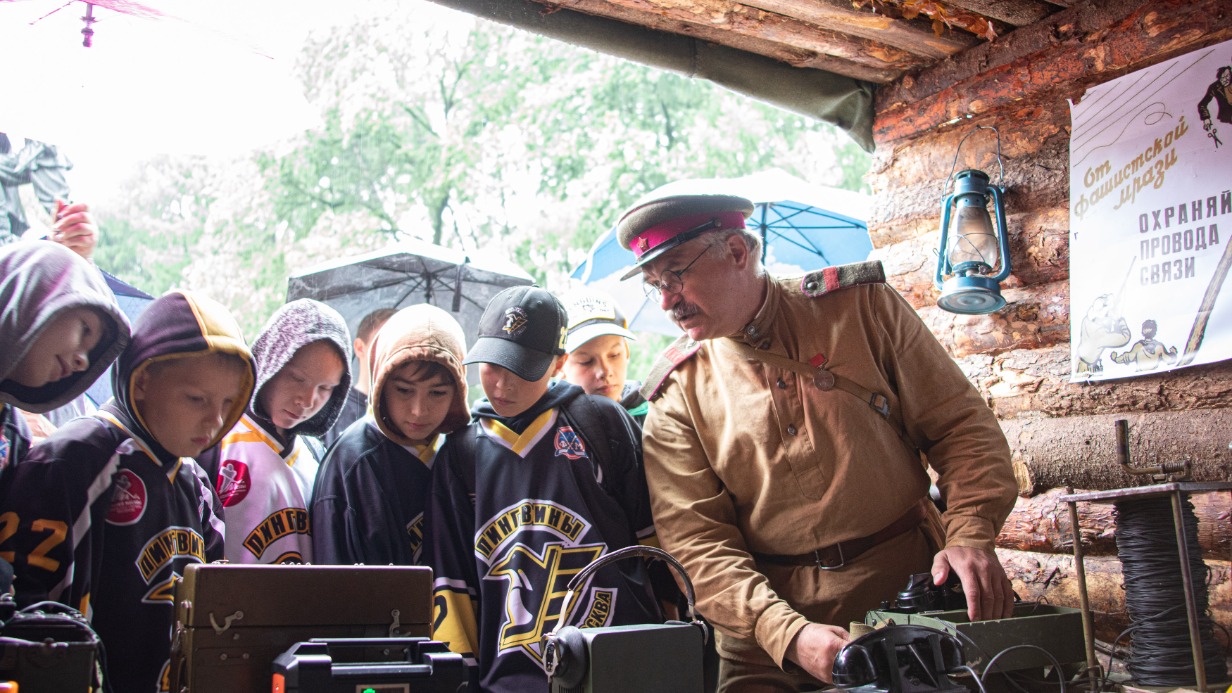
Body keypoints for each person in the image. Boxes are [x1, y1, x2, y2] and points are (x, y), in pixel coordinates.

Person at [618, 187, 1017, 691]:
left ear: (738, 252)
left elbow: (962, 430)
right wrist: (786, 633)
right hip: (766, 639)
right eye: (654, 283)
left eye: (675, 273)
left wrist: (970, 534)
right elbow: (697, 543)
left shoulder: (861, 308)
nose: (666, 299)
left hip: (912, 597)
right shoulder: (676, 392)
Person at [0, 289, 255, 693]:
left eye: (228, 402)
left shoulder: (199, 485)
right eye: (196, 398)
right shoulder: (72, 460)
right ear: (141, 380)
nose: (215, 419)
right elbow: (32, 618)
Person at [428, 286, 664, 692]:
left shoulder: (599, 422)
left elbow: (653, 543)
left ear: (558, 364)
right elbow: (453, 584)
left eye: (522, 369)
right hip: (508, 679)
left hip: (619, 666)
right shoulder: (461, 454)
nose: (502, 384)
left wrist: (667, 641)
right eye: (493, 365)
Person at [312, 304, 470, 565]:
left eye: (438, 393)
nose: (419, 411)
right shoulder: (351, 463)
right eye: (404, 390)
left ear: (458, 393)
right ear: (381, 385)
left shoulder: (462, 454)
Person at [208, 298, 351, 565]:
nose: (308, 400)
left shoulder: (317, 455)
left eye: (325, 388)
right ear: (268, 361)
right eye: (297, 378)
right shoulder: (215, 438)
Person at [0, 241, 129, 477]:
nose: (83, 362)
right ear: (34, 295)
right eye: (85, 330)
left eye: (91, 354)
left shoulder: (15, 437)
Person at [558, 287, 648, 426]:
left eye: (614, 355)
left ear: (627, 353)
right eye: (586, 361)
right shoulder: (551, 426)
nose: (605, 372)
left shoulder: (656, 414)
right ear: (560, 366)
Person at [320, 307, 397, 450]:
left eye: (399, 345)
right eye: (384, 343)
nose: (391, 352)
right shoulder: (329, 405)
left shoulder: (403, 416)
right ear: (360, 347)